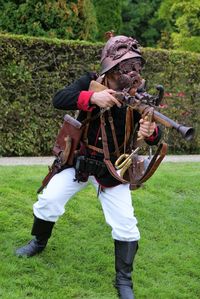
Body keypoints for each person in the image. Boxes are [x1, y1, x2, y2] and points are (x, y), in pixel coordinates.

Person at [16, 35, 161, 299]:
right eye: (124, 66)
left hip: (112, 169)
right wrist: (93, 99)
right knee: (48, 201)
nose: (130, 72)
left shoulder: (139, 96)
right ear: (111, 66)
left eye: (134, 66)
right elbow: (60, 99)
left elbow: (153, 137)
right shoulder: (90, 81)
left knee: (126, 223)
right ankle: (38, 242)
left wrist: (150, 132)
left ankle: (124, 280)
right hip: (79, 161)